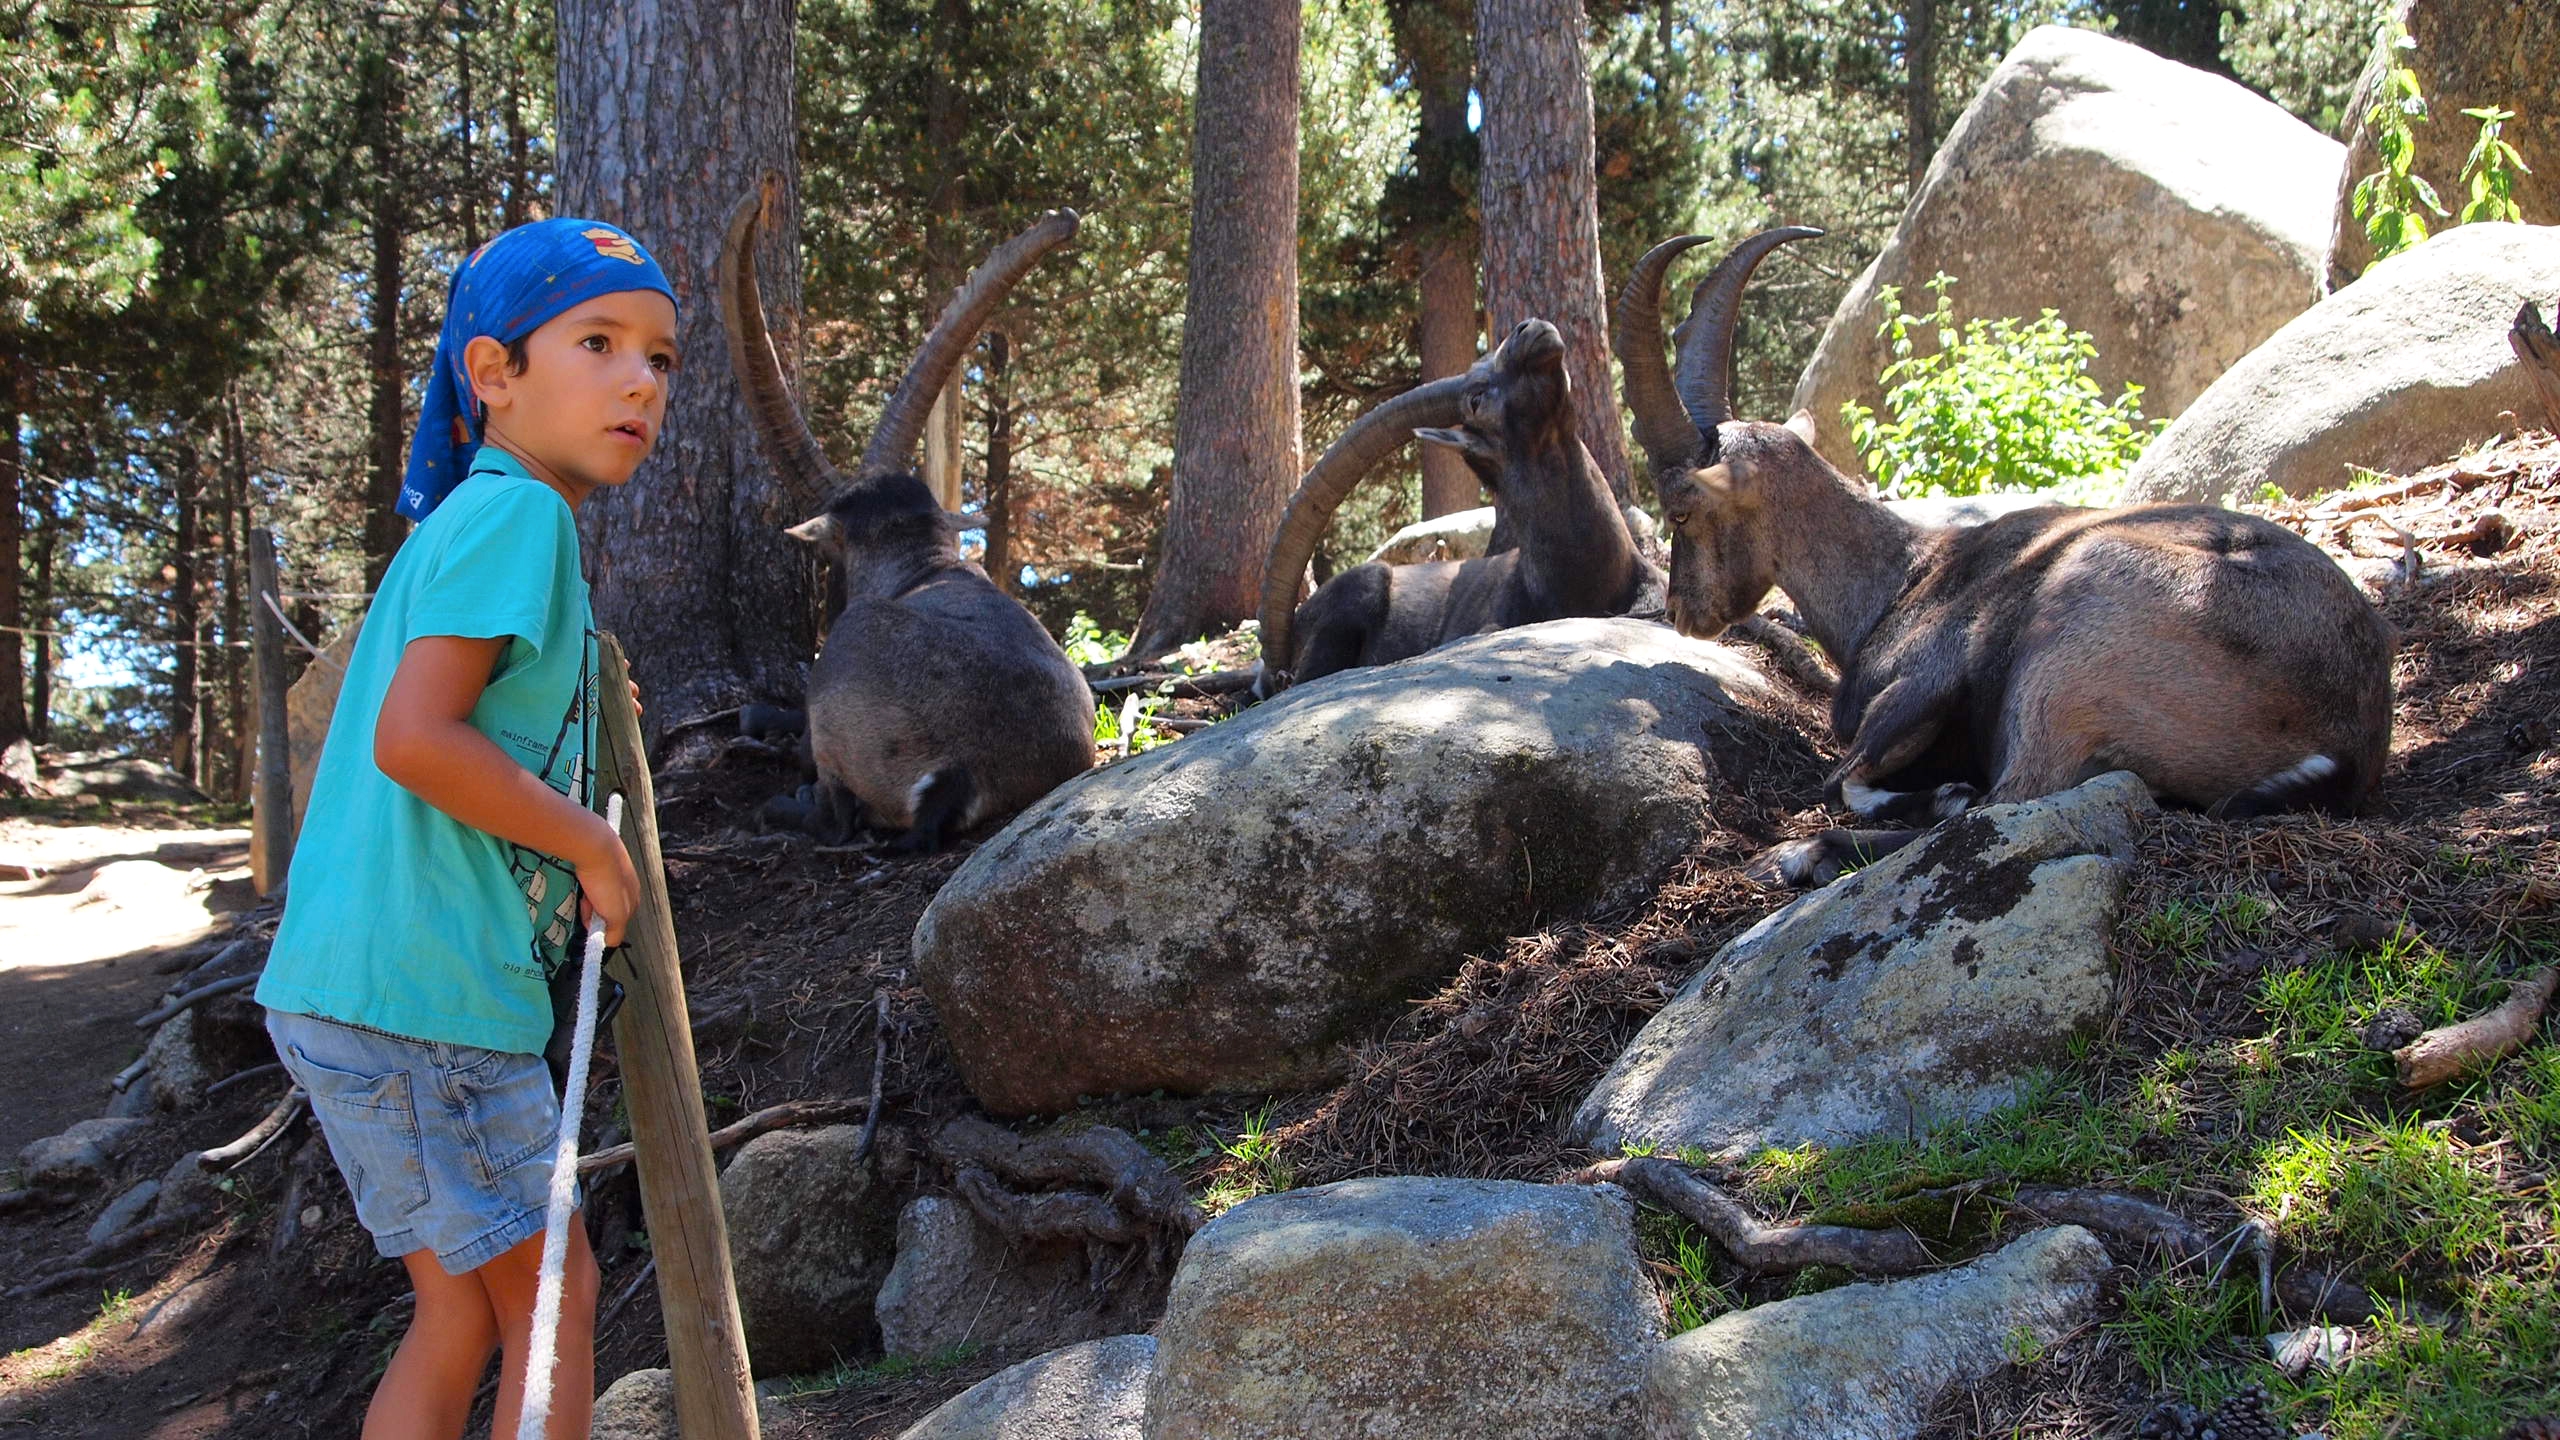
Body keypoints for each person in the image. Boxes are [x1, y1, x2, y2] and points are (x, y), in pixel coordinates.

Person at [255, 216, 678, 1440]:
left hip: (354, 987)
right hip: (426, 995)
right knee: (557, 1299)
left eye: (660, 356)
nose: (639, 379)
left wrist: (594, 705)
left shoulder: (469, 525)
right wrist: (591, 846)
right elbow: (418, 740)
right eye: (597, 341)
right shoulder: (519, 518)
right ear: (492, 374)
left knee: (462, 1312)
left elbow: (473, 713)